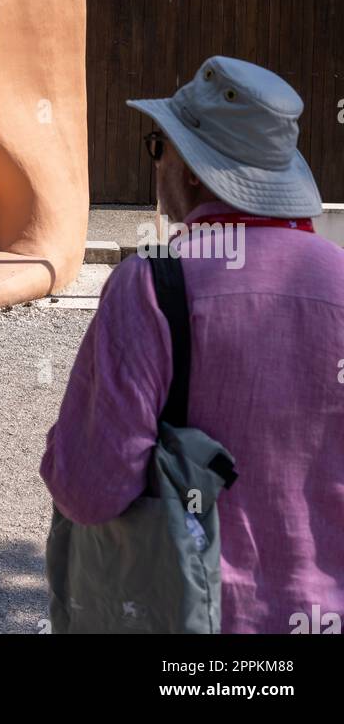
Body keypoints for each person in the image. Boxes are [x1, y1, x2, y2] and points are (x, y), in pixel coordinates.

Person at [40, 55, 344, 634]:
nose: (156, 163)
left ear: (191, 172)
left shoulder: (152, 285)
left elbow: (90, 490)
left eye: (159, 145)